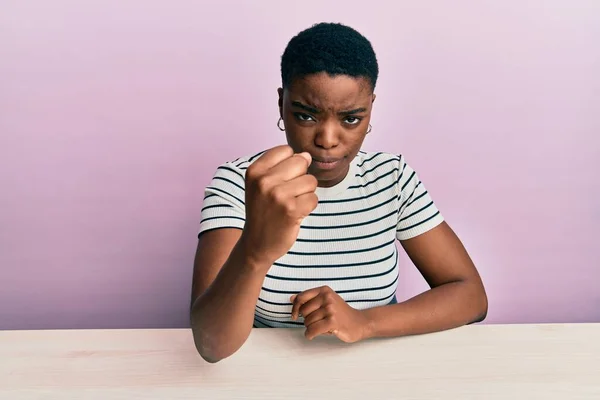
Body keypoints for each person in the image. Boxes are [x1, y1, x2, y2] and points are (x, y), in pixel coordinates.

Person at [190, 22, 487, 363]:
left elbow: (470, 295)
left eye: (350, 119)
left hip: (372, 375)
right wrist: (256, 250)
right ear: (281, 103)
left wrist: (365, 322)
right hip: (267, 376)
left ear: (370, 109)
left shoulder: (391, 179)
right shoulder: (239, 183)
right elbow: (211, 344)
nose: (328, 139)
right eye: (305, 115)